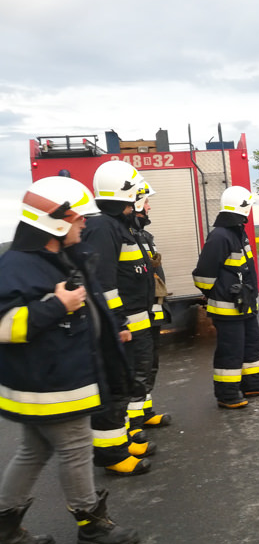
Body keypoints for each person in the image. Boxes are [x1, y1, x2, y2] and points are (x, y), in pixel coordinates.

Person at [0, 177, 139, 544]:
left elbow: (88, 305)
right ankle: (92, 525)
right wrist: (56, 307)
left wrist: (113, 333)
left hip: (49, 379)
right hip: (52, 384)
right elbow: (4, 325)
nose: (85, 226)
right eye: (80, 221)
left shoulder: (55, 258)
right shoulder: (19, 266)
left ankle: (4, 531)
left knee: (32, 452)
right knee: (77, 448)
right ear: (58, 223)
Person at [81, 160, 155, 475]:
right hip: (121, 327)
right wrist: (118, 325)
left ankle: (122, 441)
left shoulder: (118, 226)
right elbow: (102, 283)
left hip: (134, 321)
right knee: (116, 386)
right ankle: (112, 455)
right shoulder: (103, 228)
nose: (140, 202)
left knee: (128, 384)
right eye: (136, 195)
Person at [192, 185, 259, 409]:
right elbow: (202, 276)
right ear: (242, 208)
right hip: (227, 308)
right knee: (231, 351)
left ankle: (253, 384)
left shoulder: (237, 233)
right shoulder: (220, 236)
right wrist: (218, 293)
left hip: (245, 304)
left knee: (251, 345)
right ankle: (227, 395)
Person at [127, 182, 172, 433]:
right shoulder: (127, 235)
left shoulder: (142, 236)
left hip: (150, 311)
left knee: (149, 364)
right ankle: (132, 423)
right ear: (134, 203)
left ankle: (144, 412)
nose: (149, 206)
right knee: (138, 367)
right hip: (136, 315)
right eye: (145, 202)